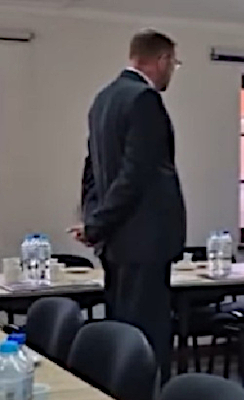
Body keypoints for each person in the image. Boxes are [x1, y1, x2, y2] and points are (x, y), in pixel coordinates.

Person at [68, 29, 186, 384]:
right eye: (174, 63)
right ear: (162, 59)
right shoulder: (144, 99)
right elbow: (138, 174)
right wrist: (97, 224)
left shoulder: (103, 99)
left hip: (116, 242)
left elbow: (92, 170)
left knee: (122, 334)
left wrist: (95, 221)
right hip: (145, 241)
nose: (172, 71)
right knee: (147, 338)